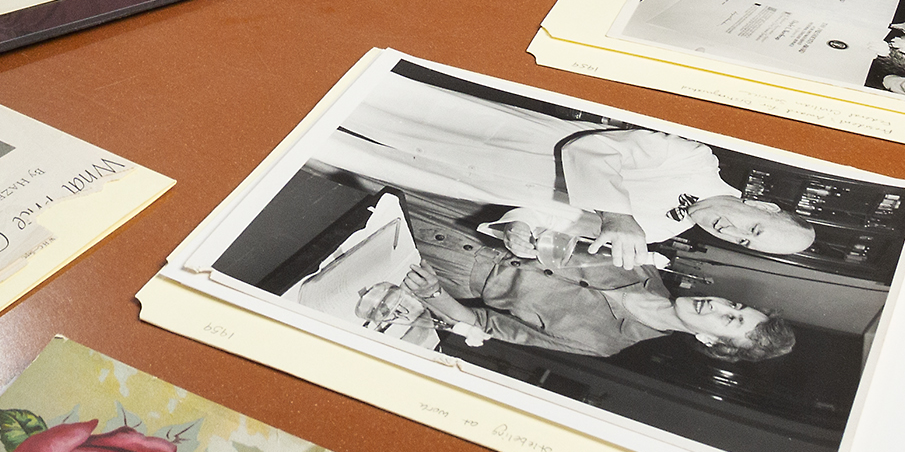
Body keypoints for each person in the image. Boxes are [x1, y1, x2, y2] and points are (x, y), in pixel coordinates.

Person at [322, 78, 818, 258]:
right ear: (765, 203)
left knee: (343, 149)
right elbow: (590, 153)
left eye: (745, 243)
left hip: (472, 178)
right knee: (363, 100)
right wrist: (619, 217)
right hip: (503, 137)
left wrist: (520, 228)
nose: (733, 232)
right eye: (753, 226)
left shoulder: (660, 235)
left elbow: (557, 218)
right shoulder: (695, 160)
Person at [329, 200, 798, 362]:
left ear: (711, 341)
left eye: (729, 322)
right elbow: (557, 216)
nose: (720, 307)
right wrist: (526, 226)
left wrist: (433, 295)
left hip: (440, 271)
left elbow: (484, 324)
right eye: (736, 306)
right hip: (474, 219)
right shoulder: (641, 261)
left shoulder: (603, 345)